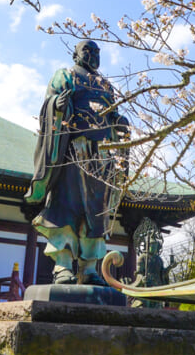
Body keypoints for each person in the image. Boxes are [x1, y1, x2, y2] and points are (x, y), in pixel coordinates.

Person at [26, 40, 129, 284]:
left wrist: (118, 122)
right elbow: (49, 103)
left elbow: (111, 114)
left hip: (101, 154)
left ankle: (90, 268)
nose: (92, 55)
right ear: (75, 54)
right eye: (87, 51)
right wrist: (57, 106)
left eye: (96, 52)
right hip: (74, 150)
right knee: (66, 206)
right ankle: (63, 266)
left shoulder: (105, 85)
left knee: (97, 211)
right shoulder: (66, 75)